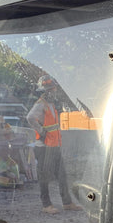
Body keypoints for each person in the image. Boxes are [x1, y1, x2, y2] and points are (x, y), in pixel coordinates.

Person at [26, 76, 81, 214]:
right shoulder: (41, 104)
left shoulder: (51, 104)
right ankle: (46, 205)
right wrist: (42, 132)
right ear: (46, 91)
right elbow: (30, 118)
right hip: (44, 147)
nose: (53, 91)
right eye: (51, 89)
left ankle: (67, 203)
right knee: (44, 177)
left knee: (62, 175)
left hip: (53, 145)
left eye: (53, 88)